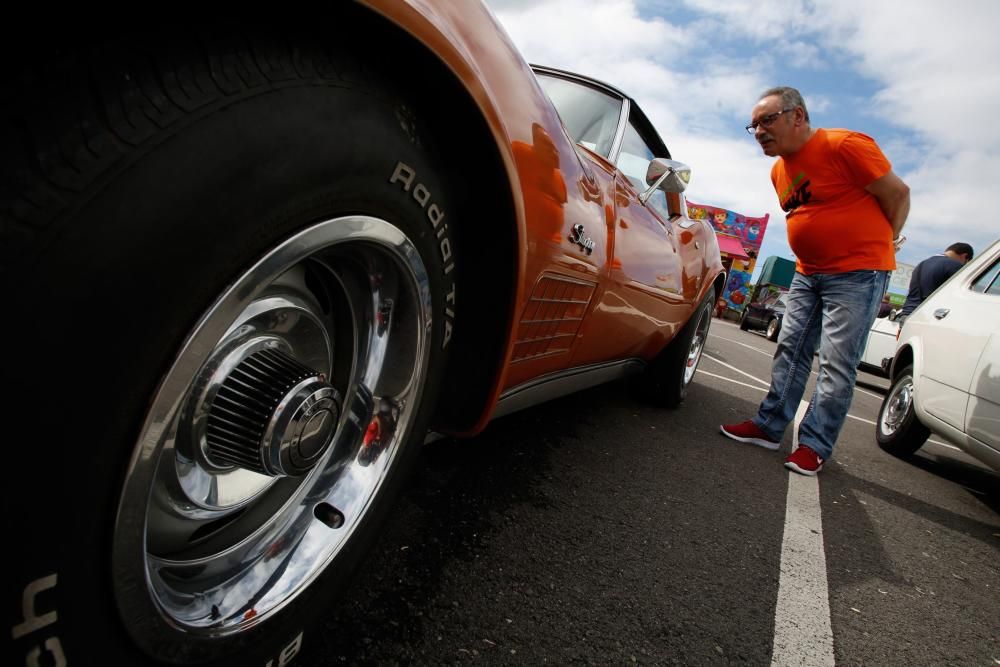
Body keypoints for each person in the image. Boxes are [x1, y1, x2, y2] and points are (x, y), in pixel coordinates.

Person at [720, 86, 910, 476]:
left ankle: (814, 445)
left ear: (798, 116)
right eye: (753, 125)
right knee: (790, 350)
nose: (758, 131)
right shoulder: (778, 171)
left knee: (837, 364)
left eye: (767, 120)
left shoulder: (844, 145)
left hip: (859, 272)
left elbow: (897, 194)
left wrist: (879, 242)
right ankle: (769, 426)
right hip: (809, 272)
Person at [898, 242, 974, 318]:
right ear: (965, 256)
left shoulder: (923, 263)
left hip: (907, 313)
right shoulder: (955, 266)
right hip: (927, 316)